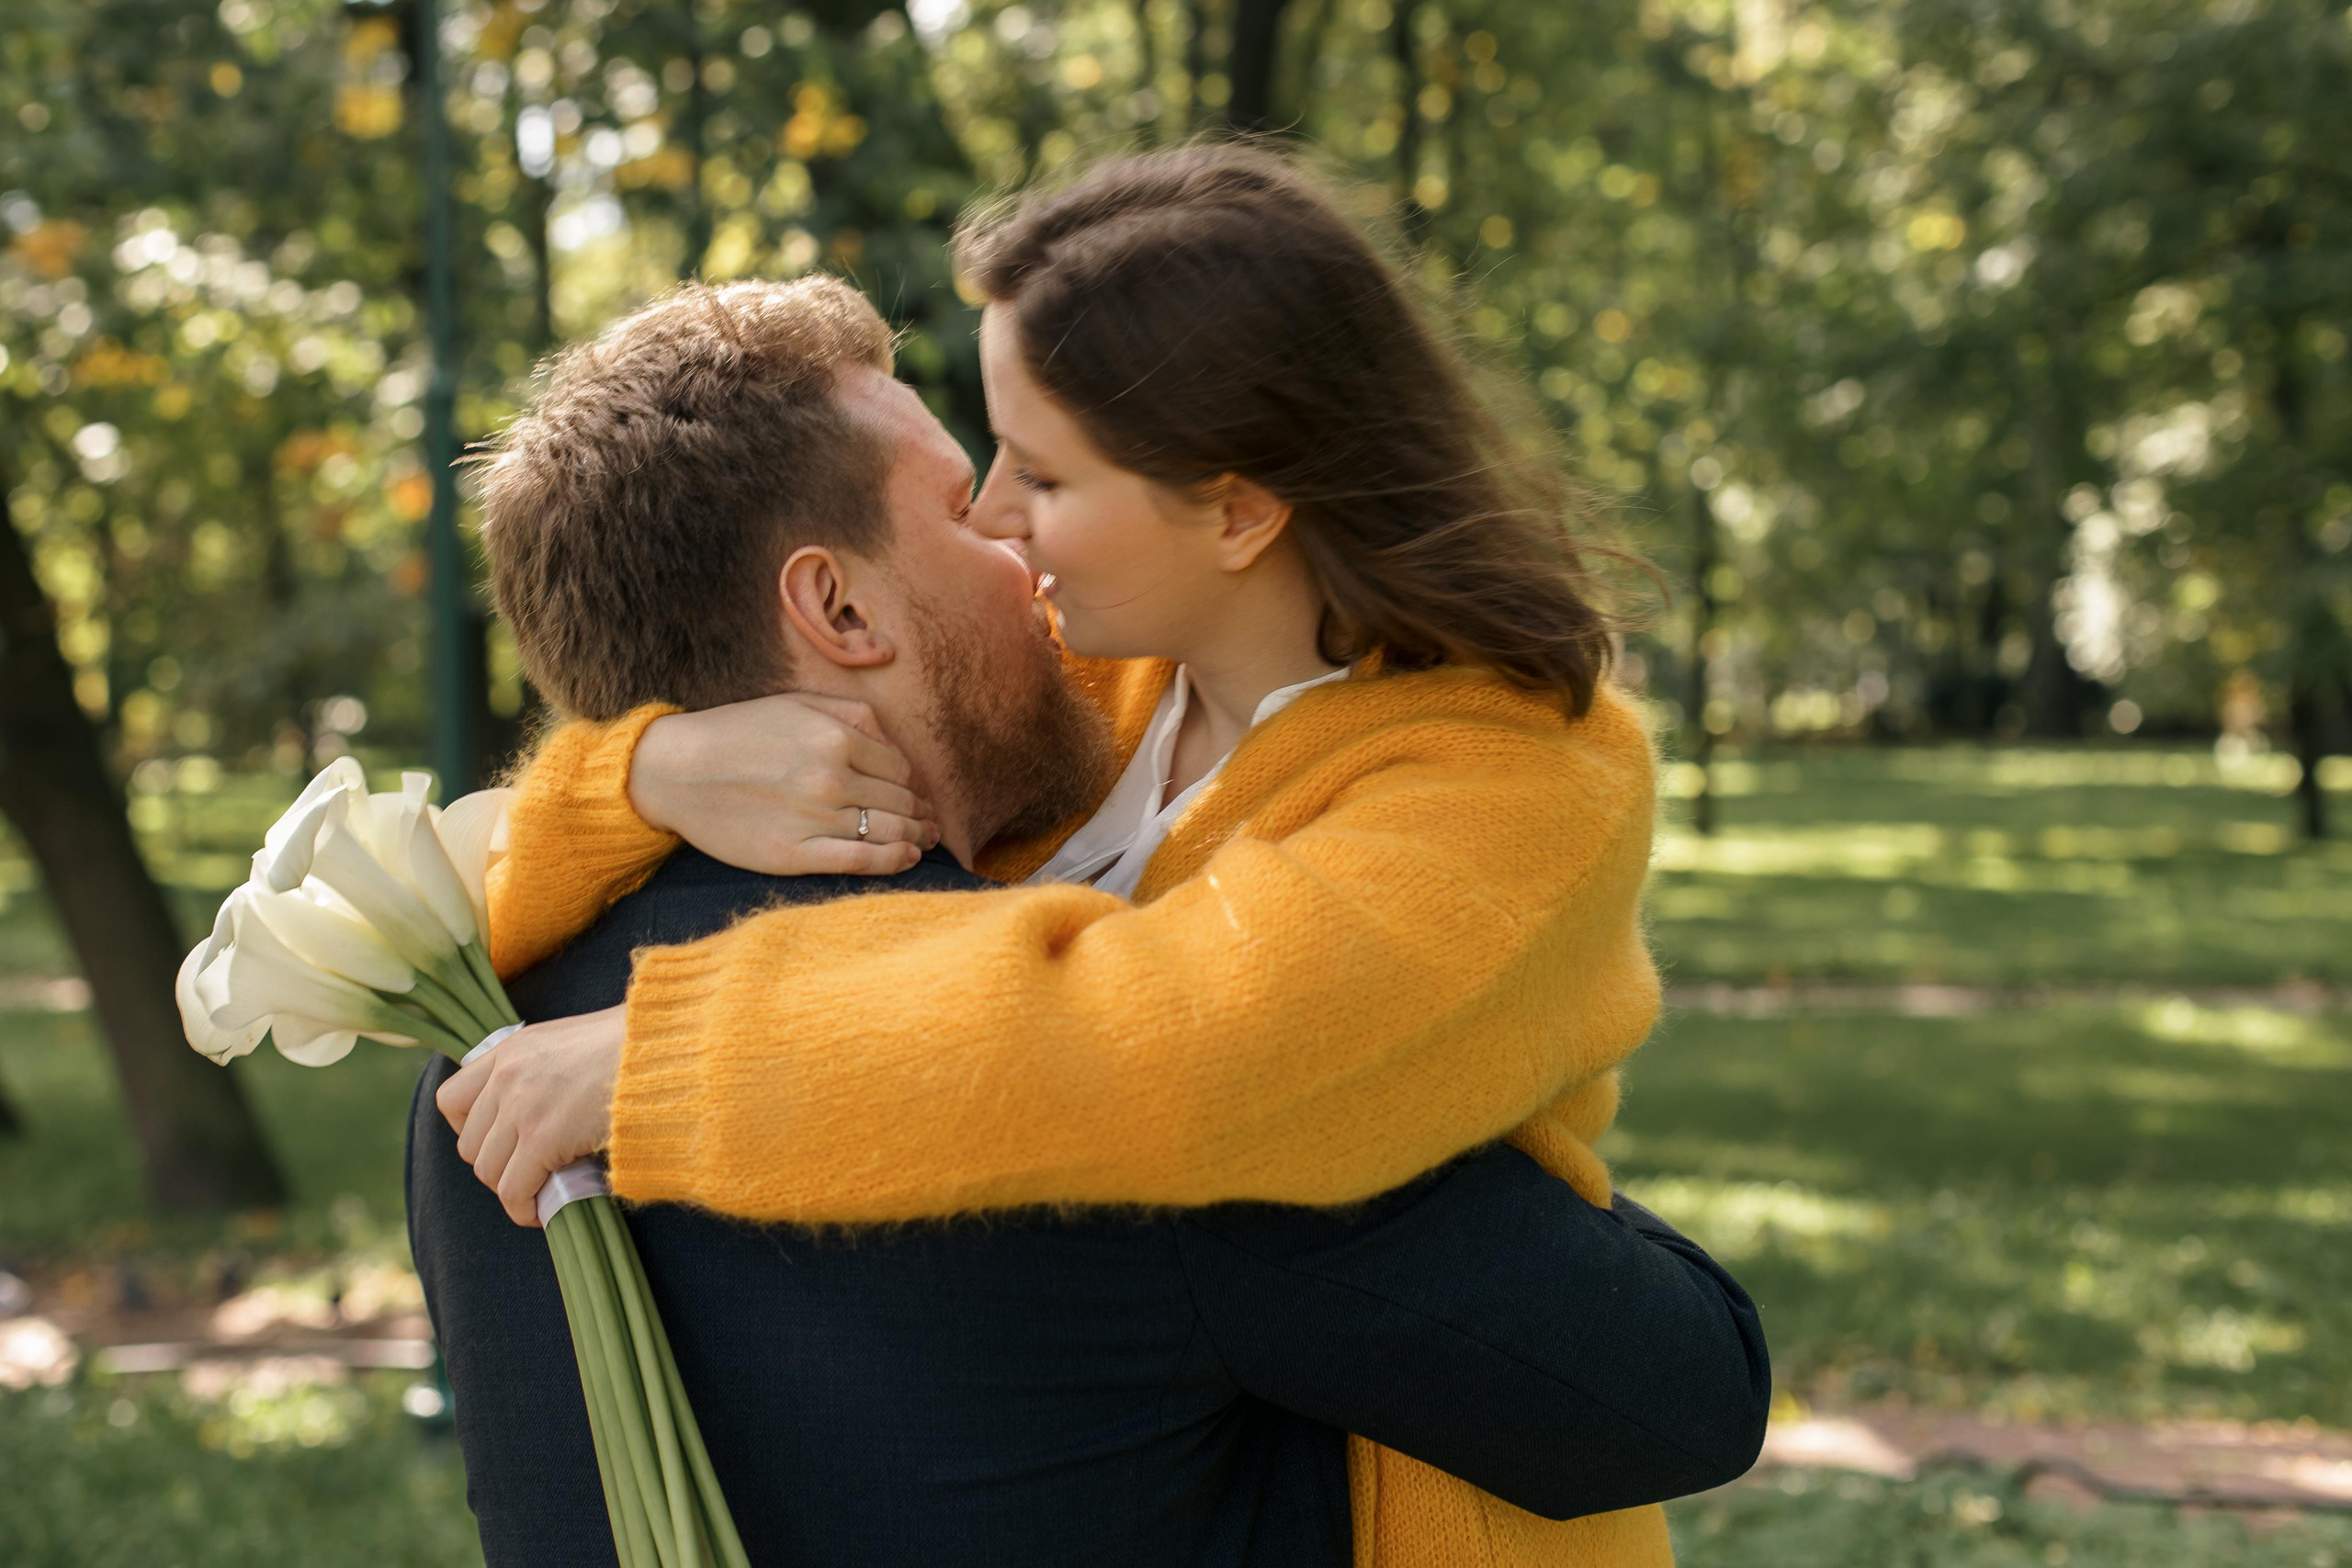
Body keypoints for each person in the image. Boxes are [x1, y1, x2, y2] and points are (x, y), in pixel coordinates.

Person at [444, 145, 1702, 1565]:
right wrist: (647, 769)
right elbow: (449, 882)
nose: (991, 515)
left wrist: (660, 1060)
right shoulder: (1097, 694)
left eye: (1039, 472)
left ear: (1238, 505)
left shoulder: (1516, 776)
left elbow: (1175, 1038)